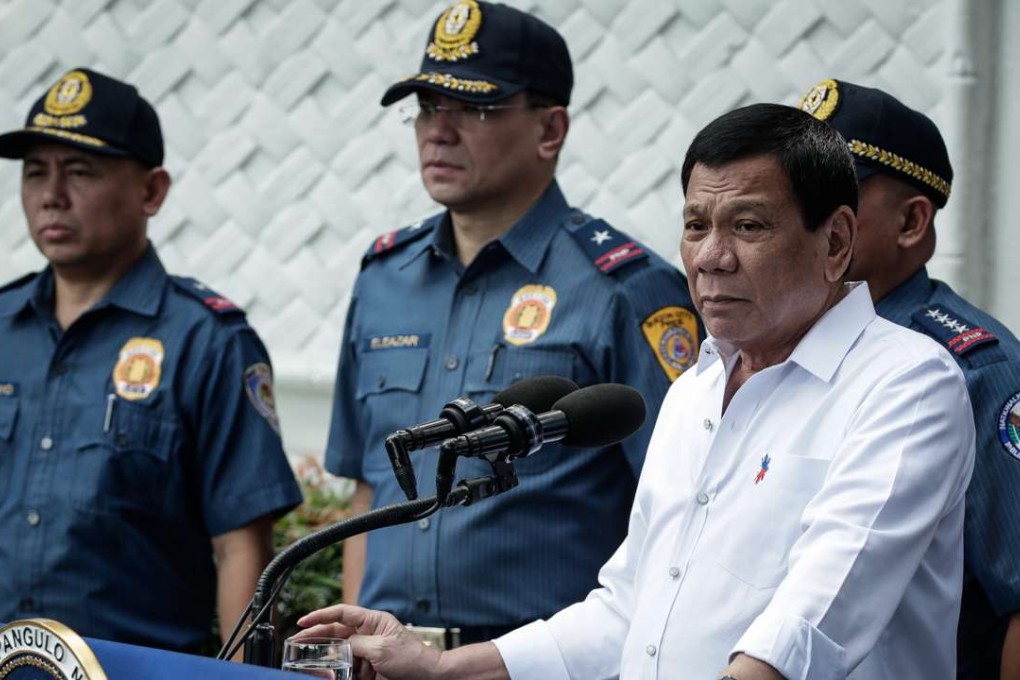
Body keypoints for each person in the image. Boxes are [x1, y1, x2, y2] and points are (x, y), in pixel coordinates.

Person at [300, 103, 977, 678]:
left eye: (748, 226)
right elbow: (630, 611)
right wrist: (444, 667)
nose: (711, 256)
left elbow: (813, 621)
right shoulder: (694, 394)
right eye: (695, 226)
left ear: (835, 241)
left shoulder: (907, 384)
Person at [325, 0, 700, 649]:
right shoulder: (383, 277)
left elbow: (683, 511)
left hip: (535, 659)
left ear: (549, 130)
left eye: (475, 109)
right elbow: (368, 490)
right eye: (427, 108)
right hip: (388, 656)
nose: (437, 132)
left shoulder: (624, 288)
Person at [0, 68, 303, 654]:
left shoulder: (208, 340)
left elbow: (241, 547)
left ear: (152, 191)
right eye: (35, 172)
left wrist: (236, 678)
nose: (51, 195)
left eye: (80, 172)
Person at [798, 78, 1020, 679]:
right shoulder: (773, 347)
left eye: (829, 193)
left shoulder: (974, 367)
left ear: (911, 221)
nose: (801, 212)